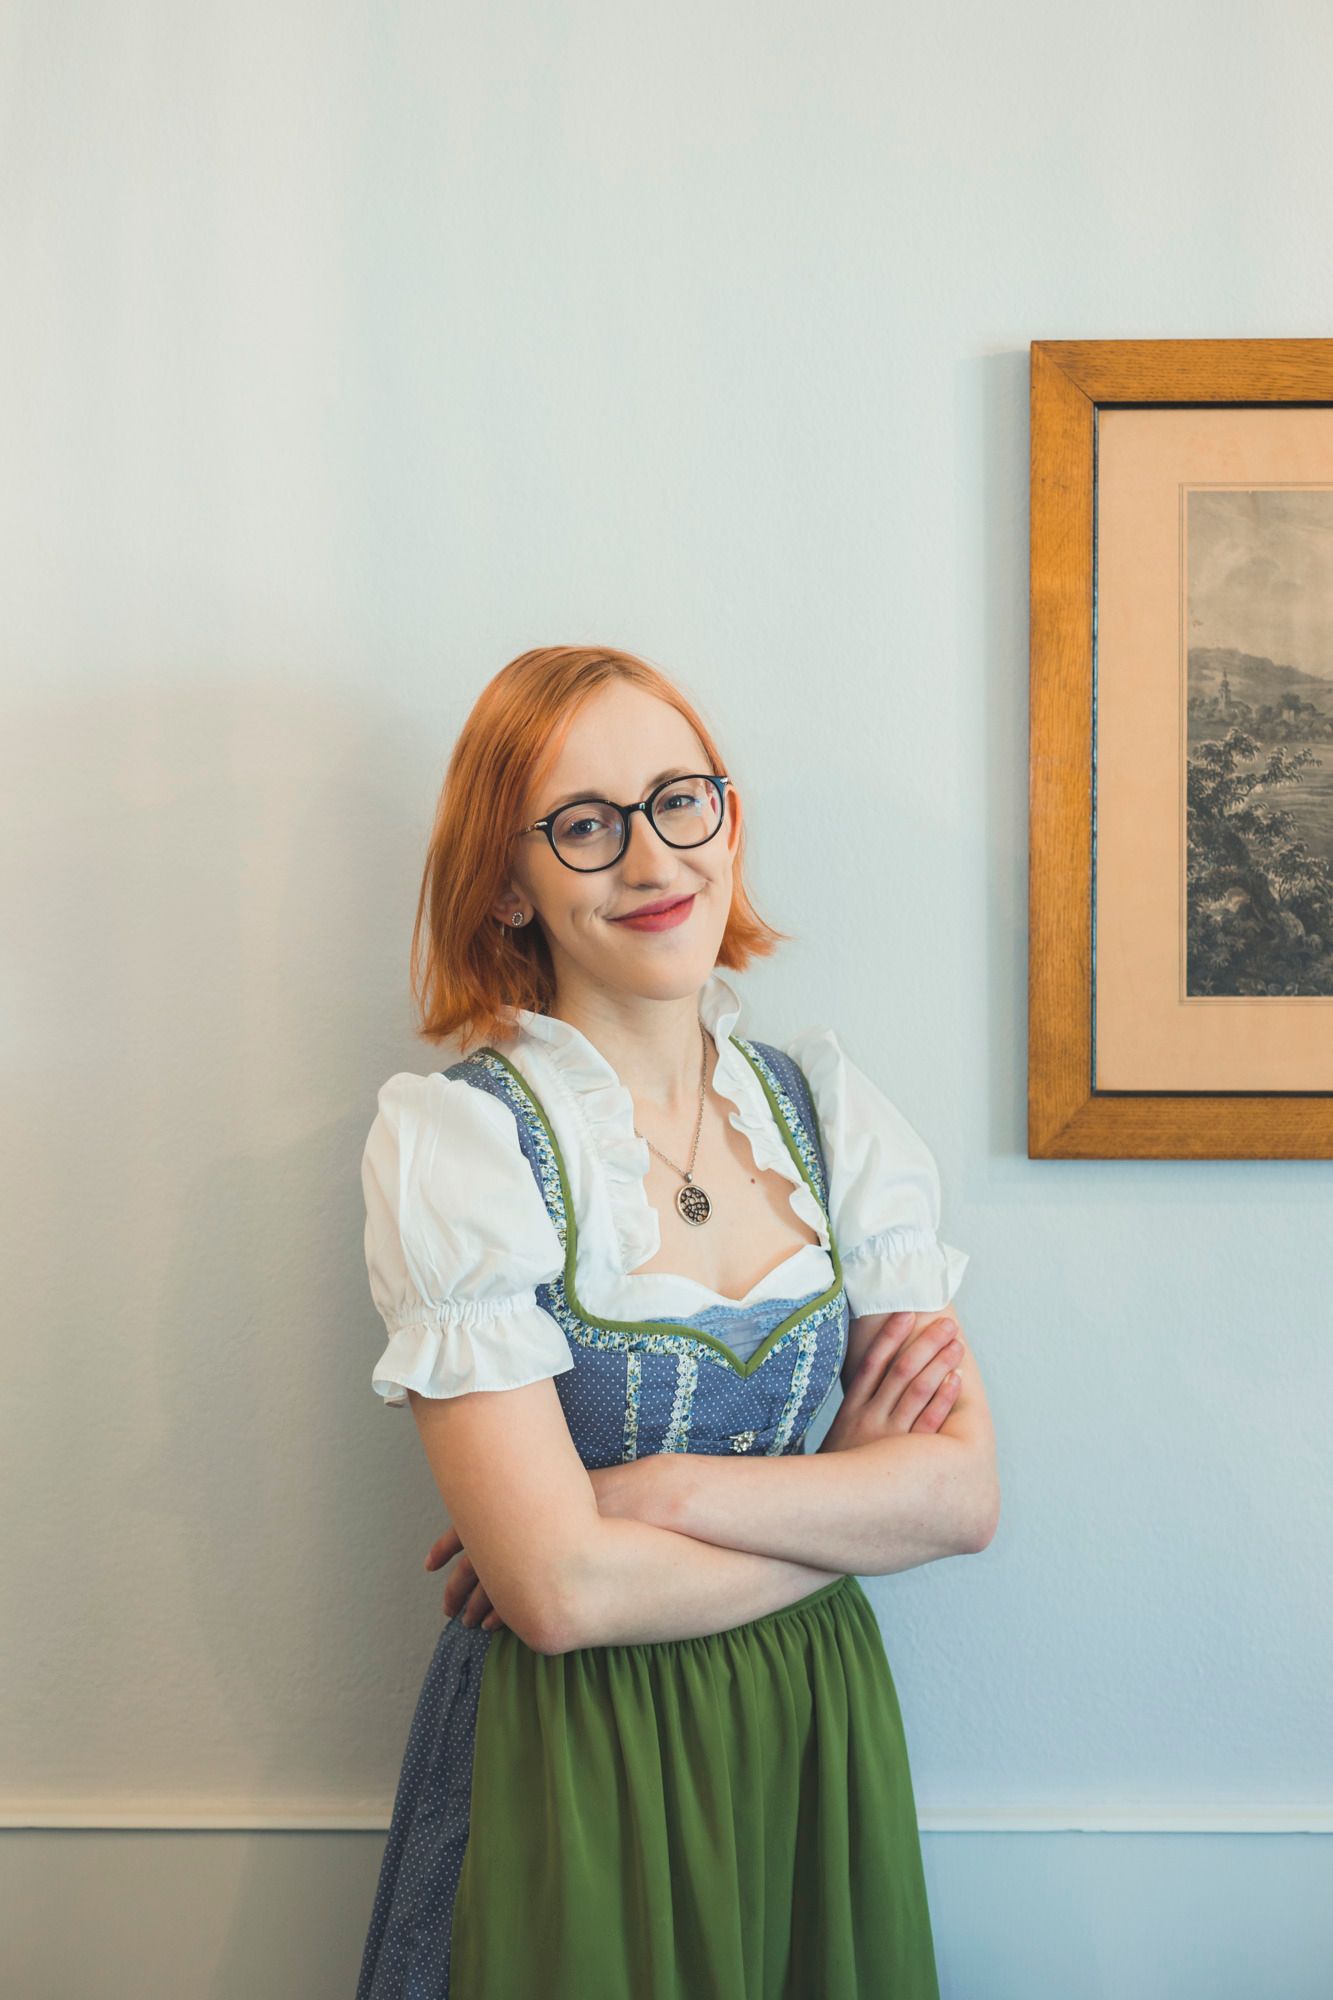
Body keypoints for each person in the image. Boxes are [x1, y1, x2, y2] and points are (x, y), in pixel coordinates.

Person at [355, 645, 999, 1999]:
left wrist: (643, 1493)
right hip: (575, 1762)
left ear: (728, 819)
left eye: (678, 802)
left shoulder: (828, 1115)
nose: (651, 860)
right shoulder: (459, 1148)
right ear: (507, 883)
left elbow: (962, 1498)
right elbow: (558, 1595)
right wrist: (845, 1509)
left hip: (815, 1733)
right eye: (585, 827)